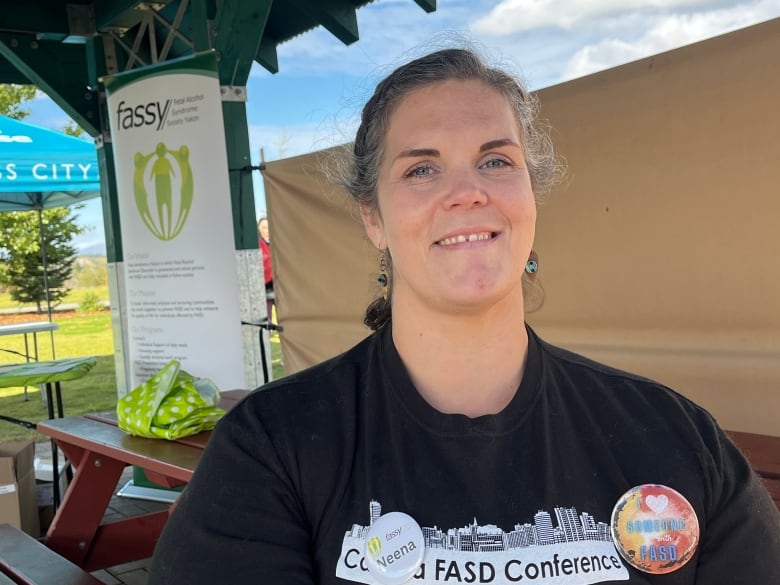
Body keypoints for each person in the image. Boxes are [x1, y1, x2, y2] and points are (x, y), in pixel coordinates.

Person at [150, 47, 780, 584]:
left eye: (496, 160)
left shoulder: (676, 439)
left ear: (530, 194)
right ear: (372, 217)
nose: (467, 190)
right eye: (422, 168)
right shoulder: (270, 449)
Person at [257, 216, 275, 321]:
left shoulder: (277, 242)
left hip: (279, 288)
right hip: (266, 288)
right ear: (259, 229)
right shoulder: (258, 244)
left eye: (268, 227)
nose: (267, 231)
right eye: (264, 227)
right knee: (267, 321)